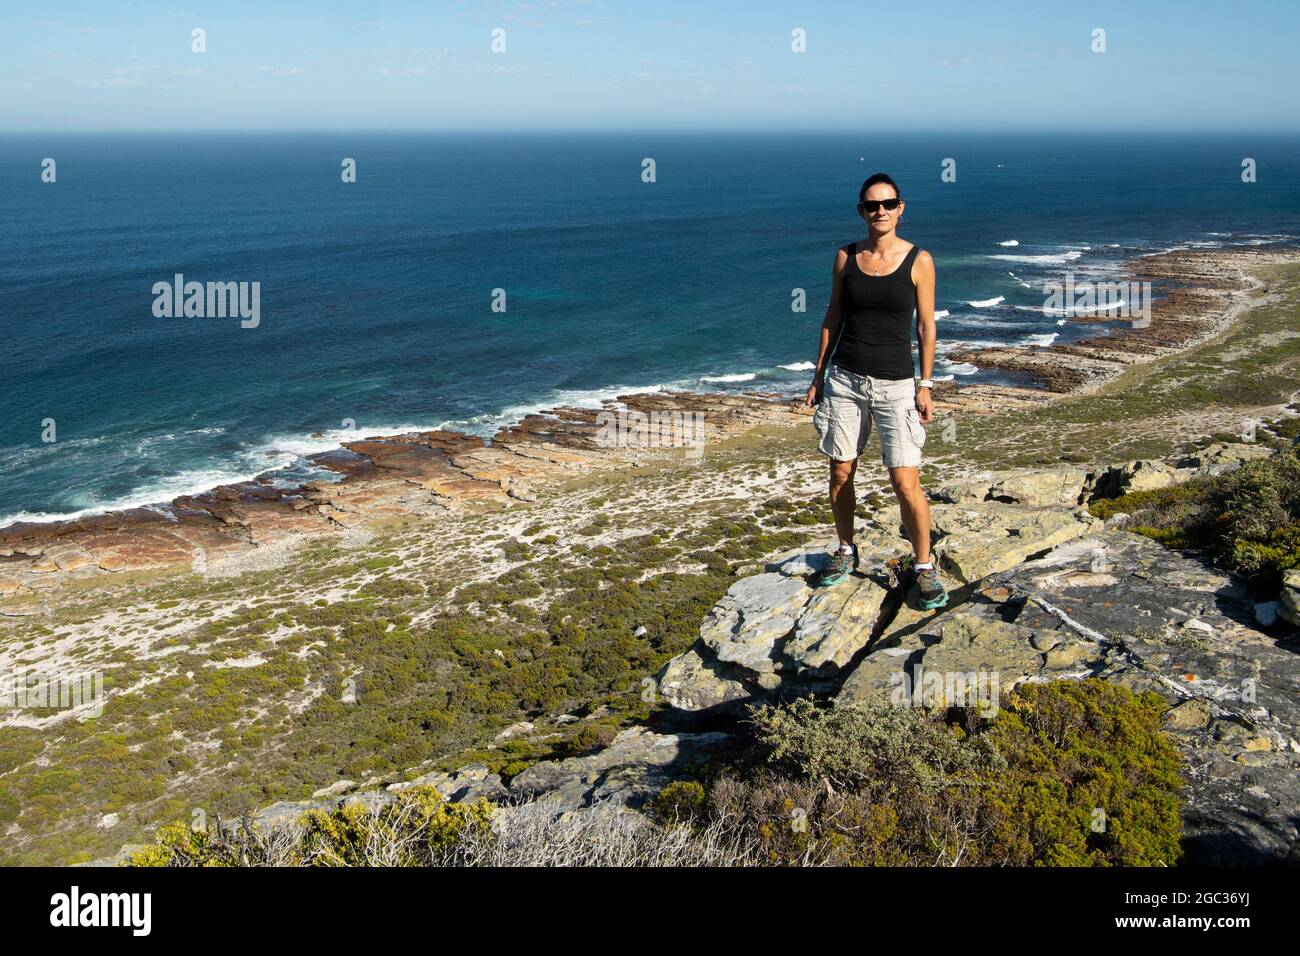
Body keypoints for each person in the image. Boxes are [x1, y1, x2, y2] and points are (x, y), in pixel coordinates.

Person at [804, 172, 947, 609]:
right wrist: (818, 375)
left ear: (900, 208)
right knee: (840, 472)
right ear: (861, 211)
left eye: (887, 204)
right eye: (871, 205)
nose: (880, 211)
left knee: (905, 481)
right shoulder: (845, 257)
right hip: (845, 379)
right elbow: (832, 317)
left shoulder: (919, 259)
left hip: (898, 385)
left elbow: (926, 326)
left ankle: (923, 567)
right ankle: (846, 549)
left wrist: (925, 385)